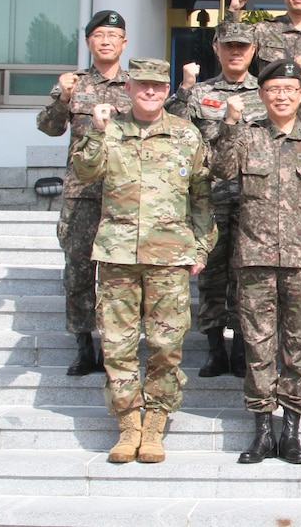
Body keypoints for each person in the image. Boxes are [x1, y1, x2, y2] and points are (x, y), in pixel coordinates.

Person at [71, 58, 215, 464]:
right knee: (117, 346)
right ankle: (128, 423)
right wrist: (96, 131)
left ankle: (155, 423)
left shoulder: (186, 135)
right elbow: (84, 172)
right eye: (142, 85)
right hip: (118, 255)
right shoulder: (108, 129)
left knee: (166, 345)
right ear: (129, 88)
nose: (150, 92)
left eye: (157, 85)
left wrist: (201, 247)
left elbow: (201, 197)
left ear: (167, 90)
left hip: (169, 256)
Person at [211, 59, 301, 465]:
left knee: (299, 348)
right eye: (274, 90)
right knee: (257, 345)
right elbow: (219, 169)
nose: (282, 96)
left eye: (290, 89)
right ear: (262, 95)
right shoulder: (248, 138)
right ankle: (261, 431)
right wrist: (230, 124)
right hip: (254, 260)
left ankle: (291, 433)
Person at [166, 21, 265, 378]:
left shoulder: (266, 92)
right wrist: (184, 88)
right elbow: (173, 130)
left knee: (246, 277)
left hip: (253, 201)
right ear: (216, 48)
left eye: (243, 46)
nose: (236, 52)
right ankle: (213, 349)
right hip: (209, 199)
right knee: (209, 278)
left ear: (253, 50)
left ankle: (240, 348)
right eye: (229, 46)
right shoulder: (198, 93)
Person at [37, 10, 132, 377]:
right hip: (81, 194)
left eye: (113, 34)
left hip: (122, 194)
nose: (106, 40)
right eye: (99, 35)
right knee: (78, 273)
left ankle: (114, 346)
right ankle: (83, 345)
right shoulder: (73, 84)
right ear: (88, 41)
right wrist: (63, 97)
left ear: (124, 42)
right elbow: (48, 128)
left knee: (117, 275)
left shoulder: (135, 85)